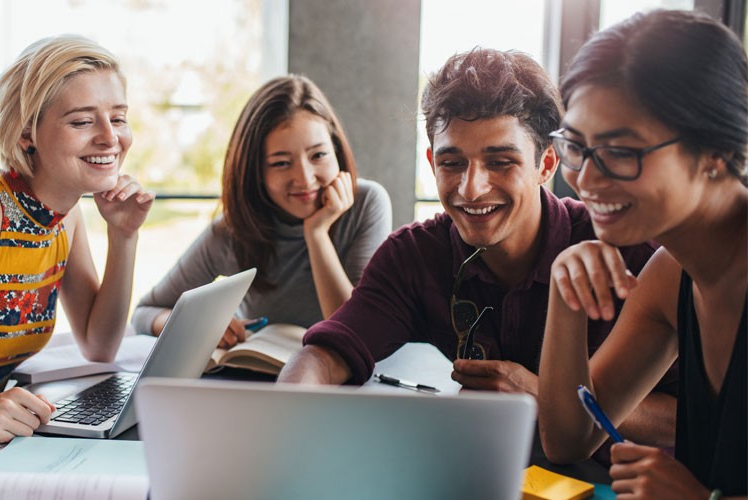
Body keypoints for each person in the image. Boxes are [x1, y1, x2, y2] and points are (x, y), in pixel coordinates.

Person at [278, 46, 677, 449]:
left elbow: (696, 422)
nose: (471, 189)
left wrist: (542, 396)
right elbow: (323, 357)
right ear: (433, 163)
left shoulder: (632, 252)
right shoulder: (413, 255)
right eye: (452, 164)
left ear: (547, 164)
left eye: (501, 162)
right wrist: (283, 429)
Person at [537, 10, 747, 499]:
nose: (585, 180)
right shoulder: (672, 273)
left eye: (620, 151)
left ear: (715, 150)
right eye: (576, 147)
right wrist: (564, 294)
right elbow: (569, 439)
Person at [0, 34, 154, 444]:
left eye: (117, 117)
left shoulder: (65, 215)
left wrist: (123, 234)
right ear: (27, 134)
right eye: (81, 121)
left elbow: (99, 344)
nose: (110, 138)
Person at [131, 75, 392, 346]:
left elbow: (354, 330)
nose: (304, 178)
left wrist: (316, 233)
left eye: (318, 155)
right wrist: (197, 326)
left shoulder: (367, 203)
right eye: (281, 163)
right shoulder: (232, 231)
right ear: (255, 172)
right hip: (258, 379)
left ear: (336, 150)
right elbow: (144, 314)